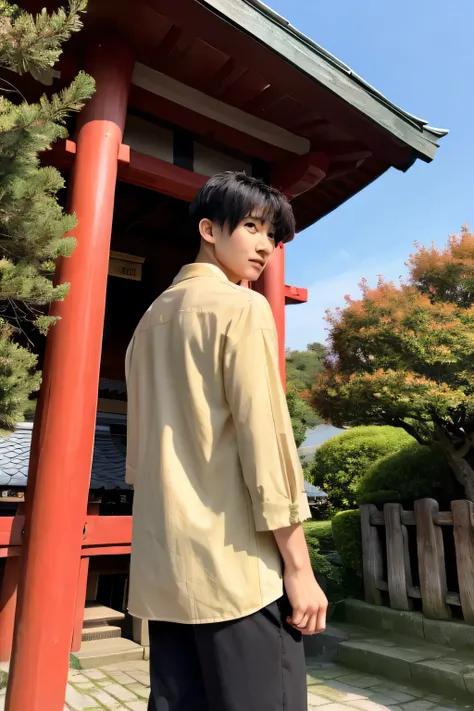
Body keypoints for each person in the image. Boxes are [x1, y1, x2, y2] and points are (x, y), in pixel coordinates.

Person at [125, 171, 328, 711]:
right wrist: (300, 571)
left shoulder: (147, 324)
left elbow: (138, 460)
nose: (265, 245)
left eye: (274, 235)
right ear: (209, 229)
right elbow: (269, 450)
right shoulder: (243, 308)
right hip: (239, 573)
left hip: (166, 576)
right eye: (253, 227)